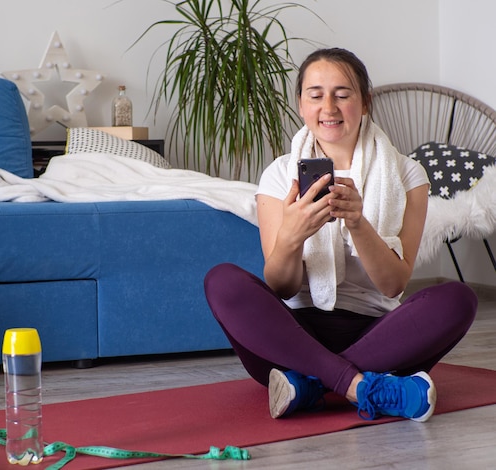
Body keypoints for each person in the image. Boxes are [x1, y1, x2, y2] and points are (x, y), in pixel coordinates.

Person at [204, 48, 478, 422]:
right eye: (315, 95)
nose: (328, 107)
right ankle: (363, 387)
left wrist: (357, 222)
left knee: (458, 299)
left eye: (343, 94)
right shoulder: (278, 174)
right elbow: (281, 288)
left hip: (379, 333)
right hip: (292, 335)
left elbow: (393, 285)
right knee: (222, 281)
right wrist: (293, 235)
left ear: (365, 102)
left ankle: (308, 385)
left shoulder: (407, 174)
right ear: (301, 104)